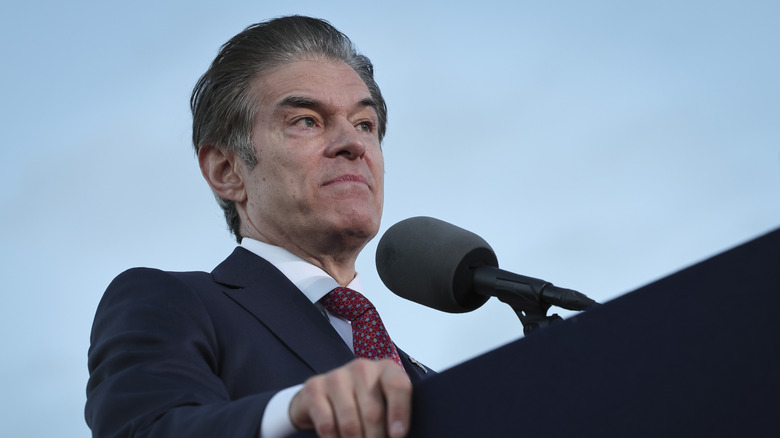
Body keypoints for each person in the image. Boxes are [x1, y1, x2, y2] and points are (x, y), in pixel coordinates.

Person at [85, 15, 431, 438]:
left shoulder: (417, 375)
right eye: (307, 120)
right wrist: (292, 410)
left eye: (365, 124)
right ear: (227, 170)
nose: (354, 144)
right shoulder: (172, 303)